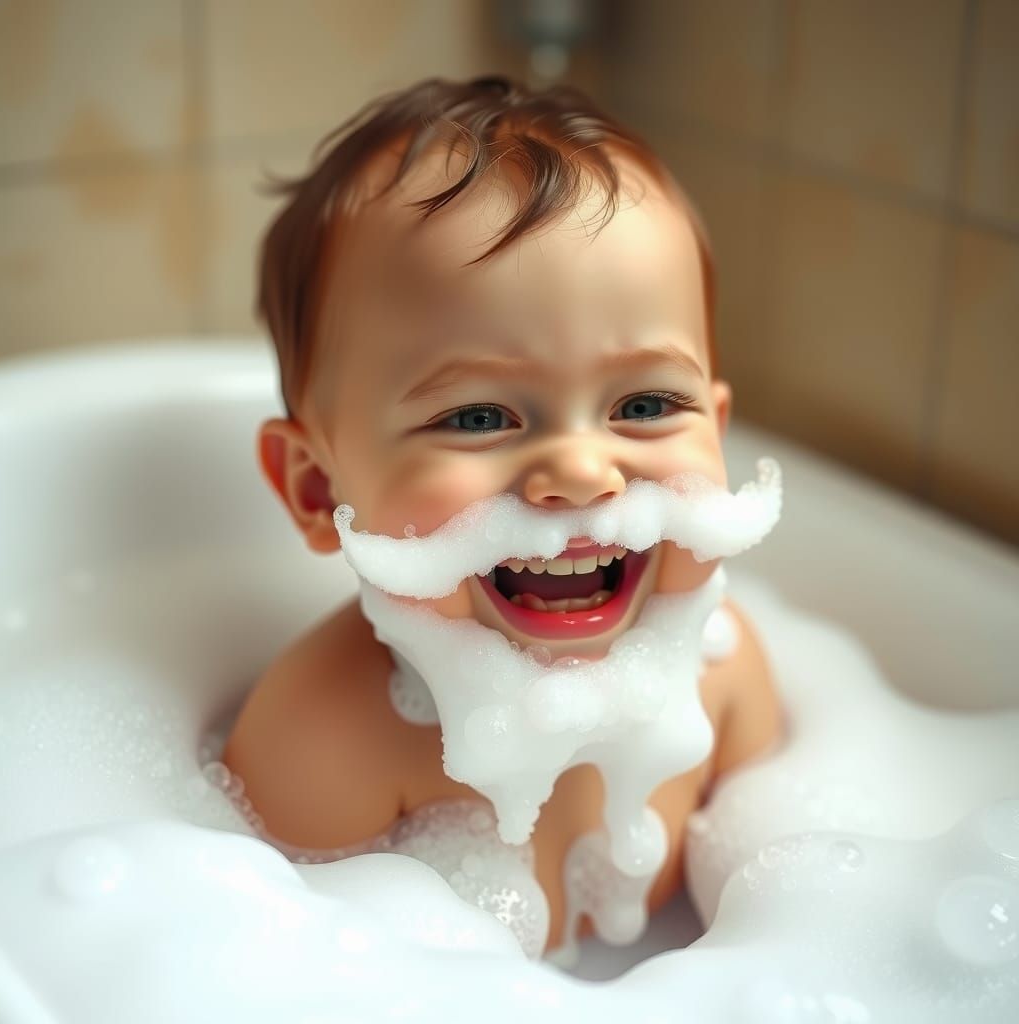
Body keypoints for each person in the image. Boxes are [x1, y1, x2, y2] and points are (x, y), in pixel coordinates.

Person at [223, 76, 782, 953]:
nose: (583, 474)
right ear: (317, 491)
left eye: (644, 406)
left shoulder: (728, 677)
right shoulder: (323, 740)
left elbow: (785, 913)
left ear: (716, 428)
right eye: (478, 417)